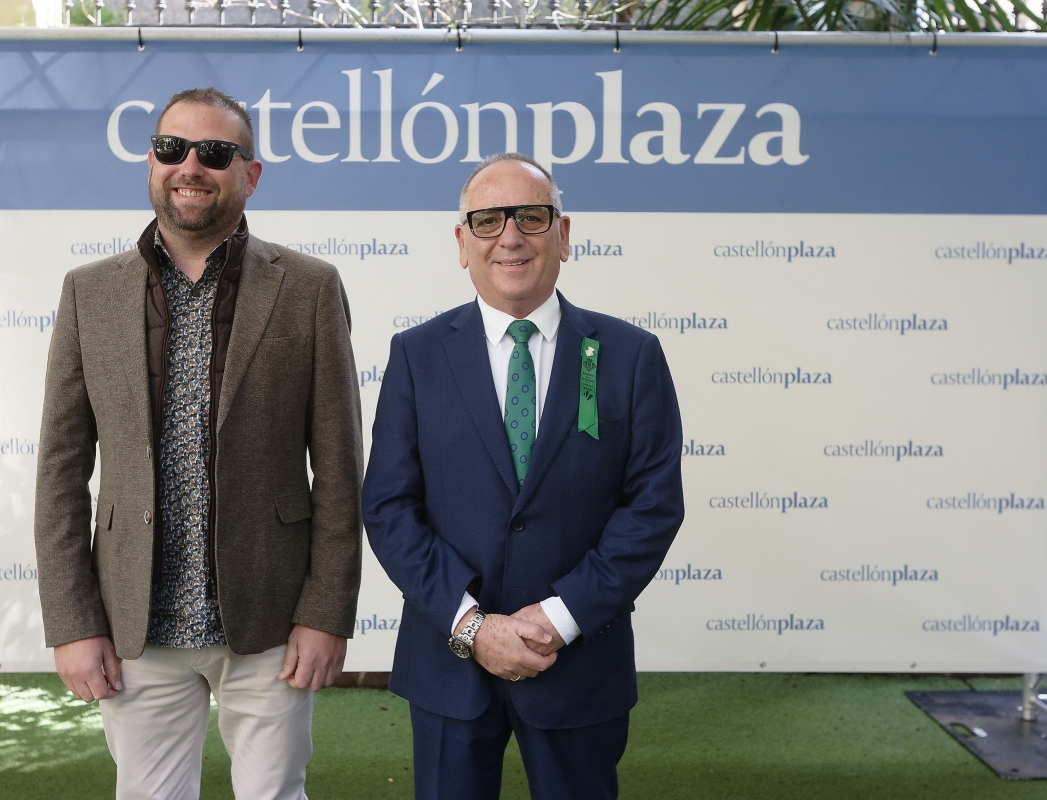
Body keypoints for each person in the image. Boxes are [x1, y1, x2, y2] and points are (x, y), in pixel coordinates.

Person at [34, 87, 363, 800]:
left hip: (271, 618)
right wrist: (72, 622)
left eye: (214, 152)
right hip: (135, 621)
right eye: (171, 148)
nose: (190, 166)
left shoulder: (309, 288)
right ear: (151, 162)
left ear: (251, 173)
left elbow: (339, 469)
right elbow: (60, 472)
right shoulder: (88, 292)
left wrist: (325, 612)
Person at [361, 153, 684, 800]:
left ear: (563, 234)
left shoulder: (630, 356)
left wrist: (560, 618)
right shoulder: (416, 356)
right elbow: (389, 507)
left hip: (578, 663)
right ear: (462, 243)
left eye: (531, 217)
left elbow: (651, 508)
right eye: (487, 220)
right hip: (449, 664)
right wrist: (473, 628)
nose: (509, 236)